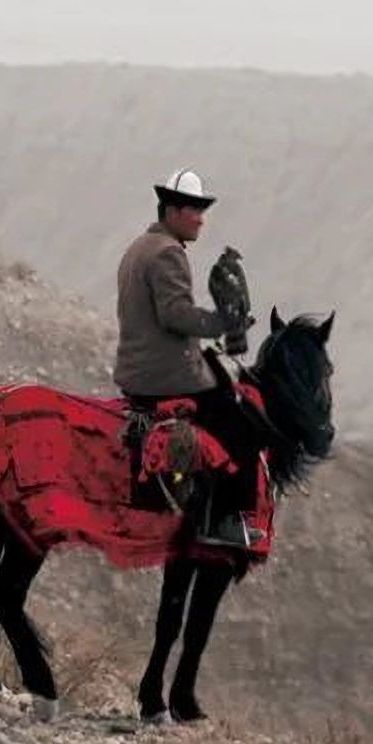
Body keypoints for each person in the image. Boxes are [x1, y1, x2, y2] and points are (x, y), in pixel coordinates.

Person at [115, 169, 260, 547]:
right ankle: (223, 522)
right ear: (173, 211)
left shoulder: (140, 247)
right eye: (194, 209)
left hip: (136, 370)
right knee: (239, 424)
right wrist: (222, 322)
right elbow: (174, 314)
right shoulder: (167, 253)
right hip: (164, 375)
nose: (200, 218)